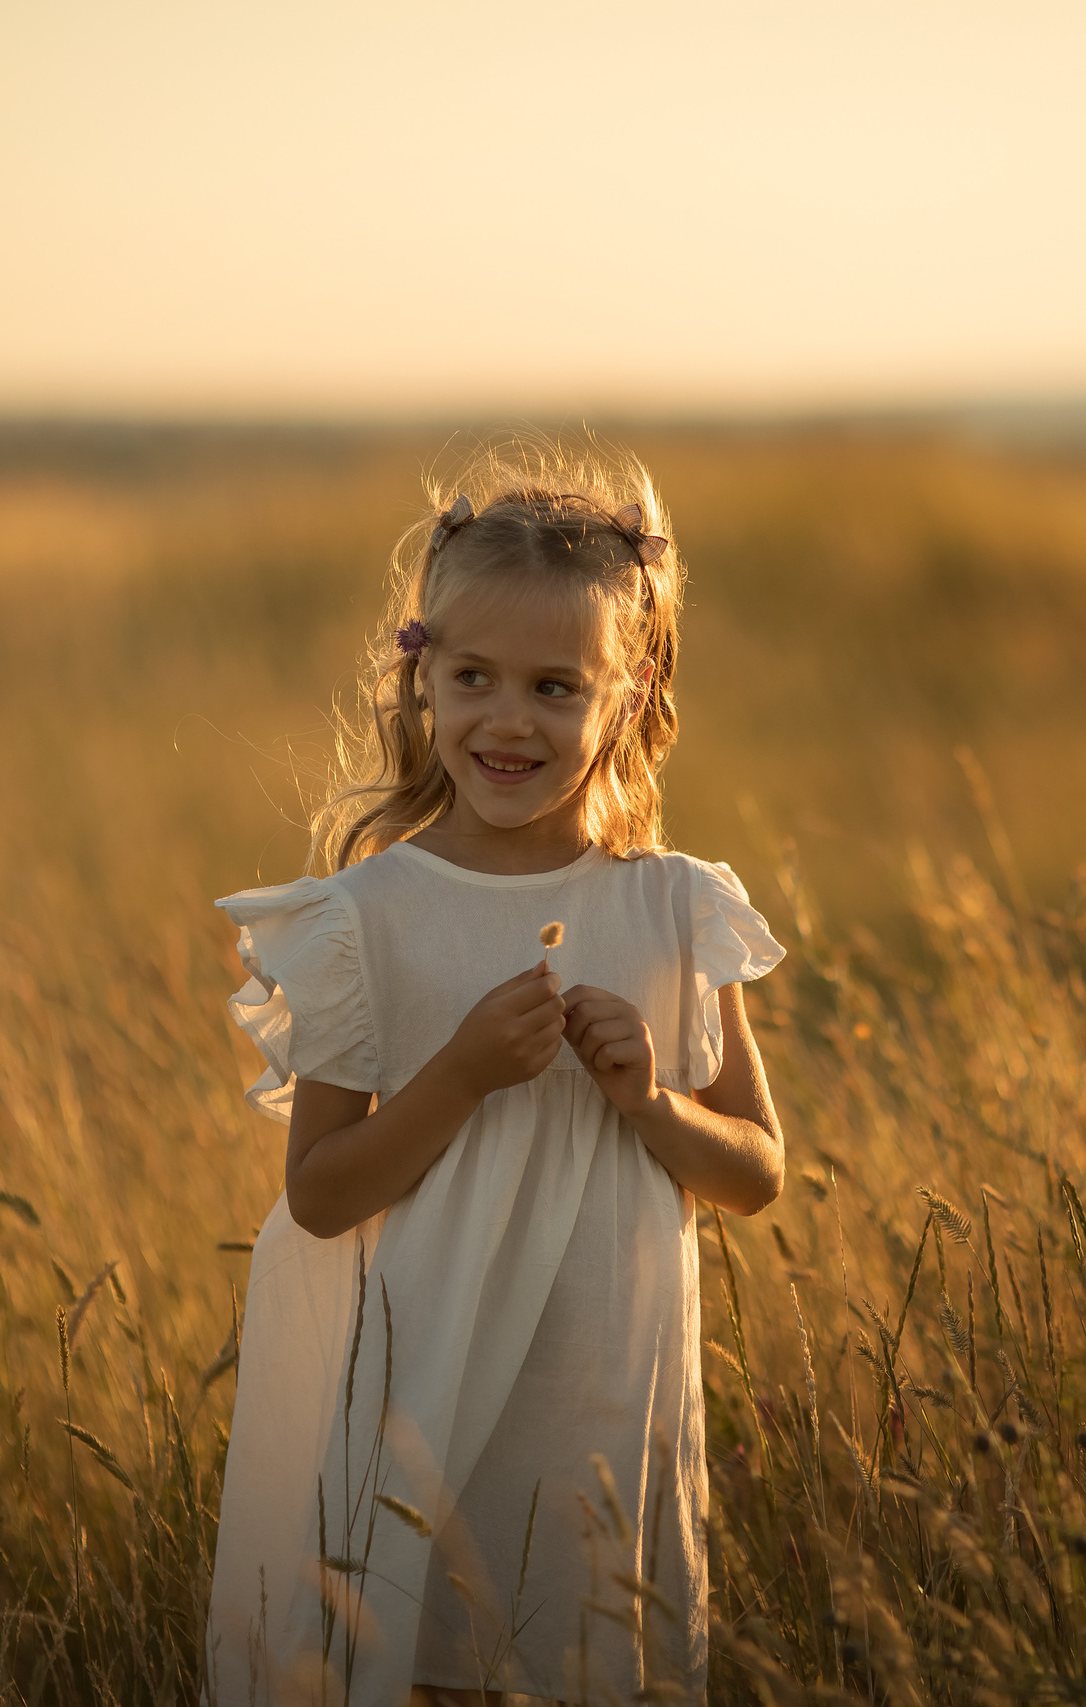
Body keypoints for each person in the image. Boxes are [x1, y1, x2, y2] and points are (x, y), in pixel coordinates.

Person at [205, 439, 786, 1706]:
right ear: (421, 678)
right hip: (428, 1404)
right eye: (473, 677)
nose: (508, 719)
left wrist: (650, 1102)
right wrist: (462, 1074)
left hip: (598, 1419)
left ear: (626, 698)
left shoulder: (679, 912)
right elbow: (319, 1192)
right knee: (427, 1663)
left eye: (554, 687)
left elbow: (755, 1174)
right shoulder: (368, 919)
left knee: (582, 1659)